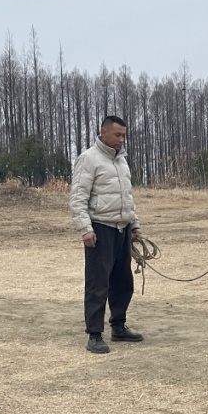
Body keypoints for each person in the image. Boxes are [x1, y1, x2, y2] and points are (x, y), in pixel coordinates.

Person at [69, 115, 145, 354]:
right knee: (97, 283)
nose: (121, 140)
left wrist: (134, 225)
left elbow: (127, 197)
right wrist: (85, 229)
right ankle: (94, 334)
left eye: (124, 135)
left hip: (122, 229)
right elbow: (78, 197)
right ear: (103, 132)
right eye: (117, 135)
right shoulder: (88, 159)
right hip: (100, 229)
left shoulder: (122, 161)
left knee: (123, 282)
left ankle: (119, 326)